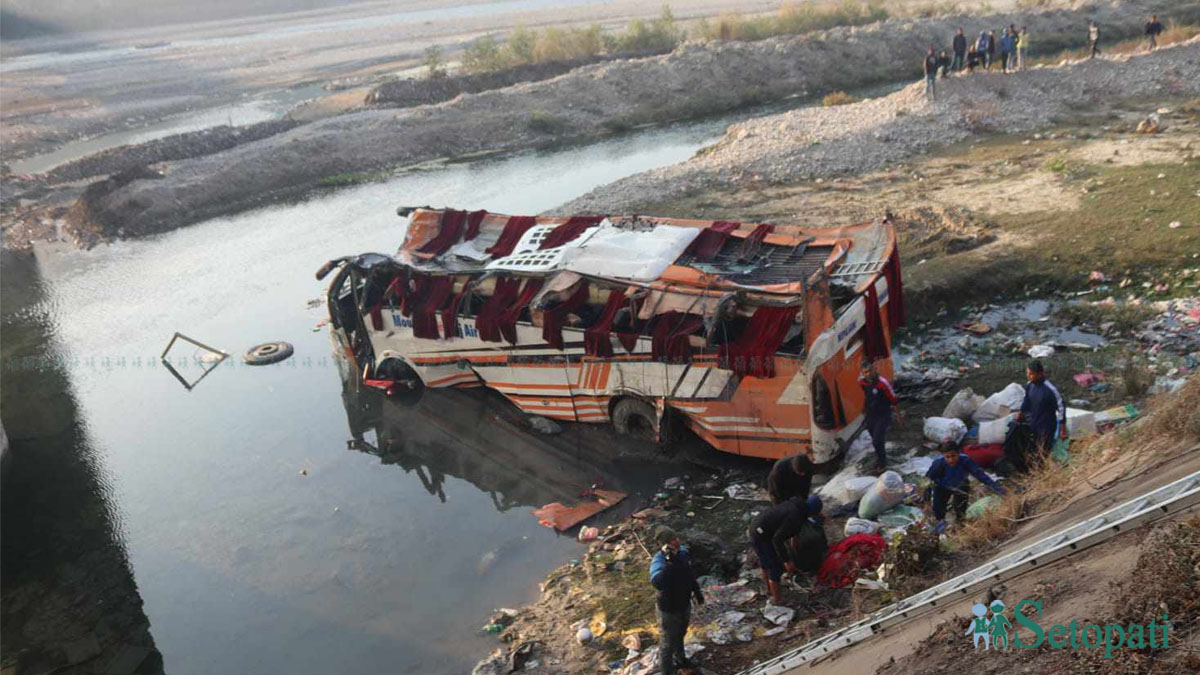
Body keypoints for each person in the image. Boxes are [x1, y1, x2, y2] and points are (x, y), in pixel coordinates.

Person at [649, 527, 703, 675]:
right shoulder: (659, 561)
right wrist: (669, 565)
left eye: (676, 538)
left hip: (684, 603)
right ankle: (667, 671)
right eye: (672, 540)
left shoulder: (683, 553)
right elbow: (657, 583)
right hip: (669, 608)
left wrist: (696, 591)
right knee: (667, 643)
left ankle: (681, 660)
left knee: (681, 633)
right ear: (665, 544)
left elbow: (689, 572)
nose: (677, 541)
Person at [925, 443, 1005, 533]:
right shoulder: (938, 464)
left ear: (958, 454)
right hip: (942, 487)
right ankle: (941, 529)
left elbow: (981, 475)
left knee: (961, 511)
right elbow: (928, 481)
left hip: (960, 485)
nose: (951, 460)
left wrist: (999, 490)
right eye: (947, 457)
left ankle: (961, 528)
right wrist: (927, 500)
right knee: (938, 512)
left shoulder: (965, 461)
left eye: (953, 456)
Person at [749, 494, 810, 605]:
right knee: (775, 567)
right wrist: (787, 561)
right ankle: (777, 600)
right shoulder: (795, 517)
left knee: (765, 563)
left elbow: (792, 533)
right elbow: (777, 540)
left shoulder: (792, 506)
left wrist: (792, 549)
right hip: (761, 535)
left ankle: (769, 590)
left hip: (756, 527)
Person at [1017, 358, 1066, 453]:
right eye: (1027, 373)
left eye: (1031, 374)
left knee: (1043, 451)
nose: (1028, 376)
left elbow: (1061, 407)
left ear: (1039, 374)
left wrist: (1062, 427)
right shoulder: (1029, 386)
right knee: (1032, 449)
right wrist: (1021, 412)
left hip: (1046, 427)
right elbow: (1027, 400)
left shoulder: (1049, 389)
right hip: (1033, 423)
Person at [859, 359, 899, 470]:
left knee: (877, 439)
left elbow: (893, 399)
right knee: (875, 439)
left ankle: (882, 462)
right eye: (865, 372)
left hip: (883, 414)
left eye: (870, 371)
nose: (868, 374)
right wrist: (864, 408)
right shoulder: (863, 382)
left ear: (874, 369)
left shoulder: (883, 383)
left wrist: (898, 416)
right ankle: (880, 457)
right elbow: (867, 395)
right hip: (871, 415)